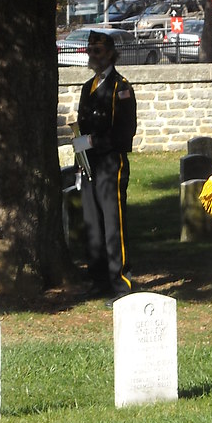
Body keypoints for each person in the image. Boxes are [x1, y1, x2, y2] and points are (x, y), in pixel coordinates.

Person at [75, 31, 137, 303]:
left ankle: (121, 282)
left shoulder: (120, 87)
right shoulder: (87, 87)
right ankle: (98, 278)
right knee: (93, 223)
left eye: (97, 51)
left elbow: (125, 133)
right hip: (90, 163)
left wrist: (92, 140)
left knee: (113, 223)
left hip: (112, 162)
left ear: (110, 53)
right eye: (90, 51)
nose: (92, 56)